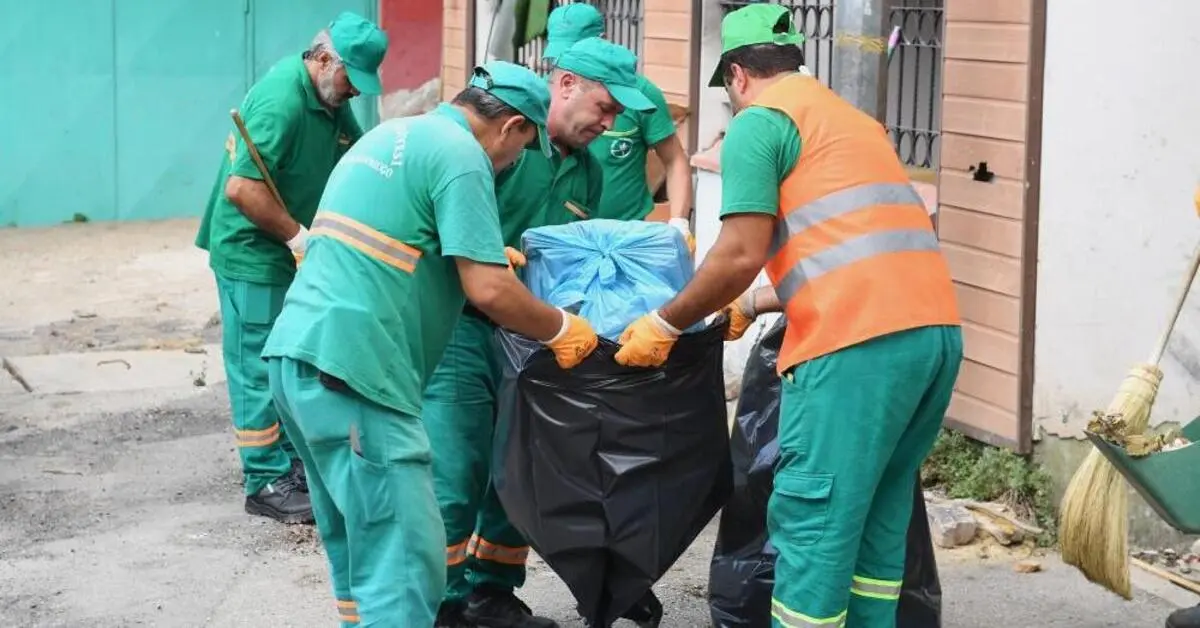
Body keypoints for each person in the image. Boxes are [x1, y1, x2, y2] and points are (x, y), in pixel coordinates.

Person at [613, 5, 963, 628]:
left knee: (816, 527)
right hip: (933, 338)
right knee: (878, 530)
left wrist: (666, 322)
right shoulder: (856, 125)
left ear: (739, 75)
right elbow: (853, 251)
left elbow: (741, 250)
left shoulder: (760, 123)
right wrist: (750, 303)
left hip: (855, 348)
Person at [260, 60, 600, 626]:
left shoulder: (396, 133)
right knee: (405, 562)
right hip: (358, 375)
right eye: (521, 149)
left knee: (358, 551)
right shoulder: (462, 154)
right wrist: (563, 328)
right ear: (513, 127)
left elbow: (400, 240)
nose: (514, 162)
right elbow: (488, 288)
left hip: (298, 360)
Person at [425, 38, 655, 628]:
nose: (608, 125)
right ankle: (440, 604)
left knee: (518, 471)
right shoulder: (499, 144)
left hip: (535, 341)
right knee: (455, 471)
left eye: (615, 117)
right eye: (603, 108)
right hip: (463, 330)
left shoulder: (589, 171)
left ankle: (491, 590)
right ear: (566, 84)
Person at [193, 12, 386, 524]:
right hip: (252, 254)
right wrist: (299, 237)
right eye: (351, 80)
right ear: (324, 59)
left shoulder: (330, 99)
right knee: (258, 363)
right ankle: (264, 479)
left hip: (288, 251)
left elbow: (360, 157)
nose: (353, 93)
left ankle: (290, 463)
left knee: (289, 360)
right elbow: (242, 189)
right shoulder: (282, 100)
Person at [540, 4, 694, 248]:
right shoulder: (542, 102)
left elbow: (674, 159)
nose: (567, 62)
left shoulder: (638, 95)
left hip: (625, 238)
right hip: (570, 239)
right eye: (561, 54)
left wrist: (679, 224)